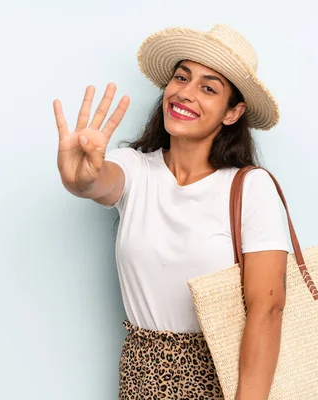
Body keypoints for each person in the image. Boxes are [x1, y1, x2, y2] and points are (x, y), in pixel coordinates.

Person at [53, 24, 291, 400]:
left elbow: (268, 307)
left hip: (223, 381)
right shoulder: (134, 168)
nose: (185, 92)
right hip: (139, 379)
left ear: (233, 112)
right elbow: (96, 182)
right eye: (182, 77)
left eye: (208, 88)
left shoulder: (250, 187)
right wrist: (78, 178)